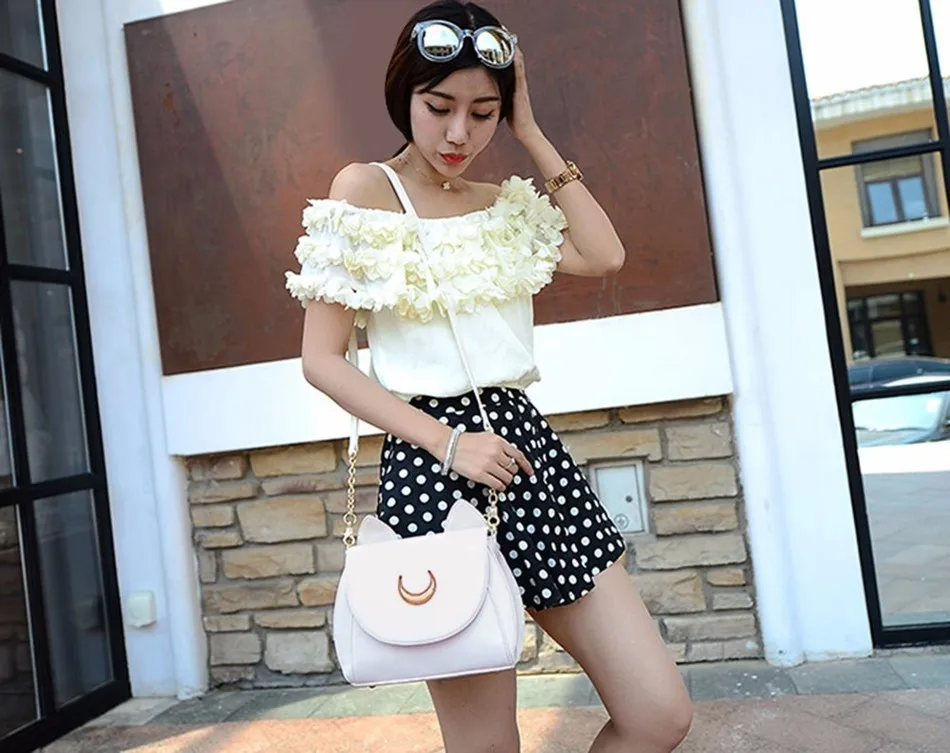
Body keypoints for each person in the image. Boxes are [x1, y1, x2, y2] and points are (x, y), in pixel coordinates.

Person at [285, 2, 692, 750]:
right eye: (439, 106)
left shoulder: (503, 206)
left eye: (483, 113)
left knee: (658, 714)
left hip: (529, 456)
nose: (458, 134)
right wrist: (448, 444)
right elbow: (322, 360)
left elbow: (604, 254)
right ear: (405, 93)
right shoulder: (364, 191)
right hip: (433, 466)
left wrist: (531, 132)